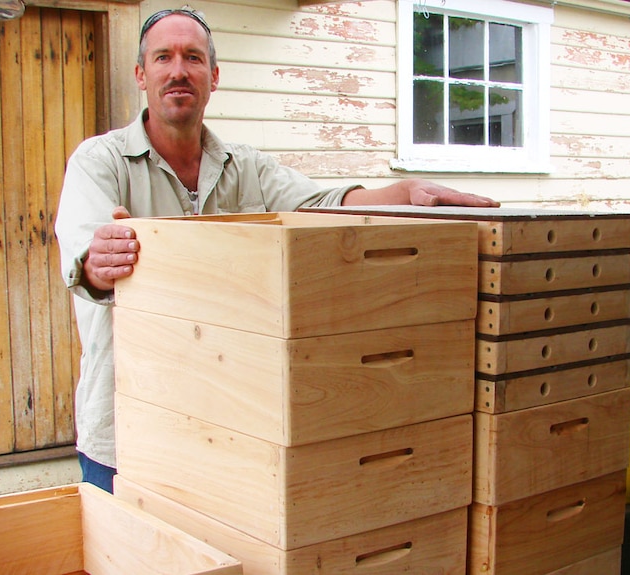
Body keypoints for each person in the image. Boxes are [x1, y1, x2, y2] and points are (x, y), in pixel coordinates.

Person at [54, 7, 499, 493]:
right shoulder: (99, 162)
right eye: (163, 57)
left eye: (193, 58)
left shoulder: (246, 167)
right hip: (127, 427)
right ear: (142, 74)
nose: (178, 70)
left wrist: (406, 192)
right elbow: (86, 256)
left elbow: (325, 204)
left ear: (214, 76)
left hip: (228, 426)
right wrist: (100, 261)